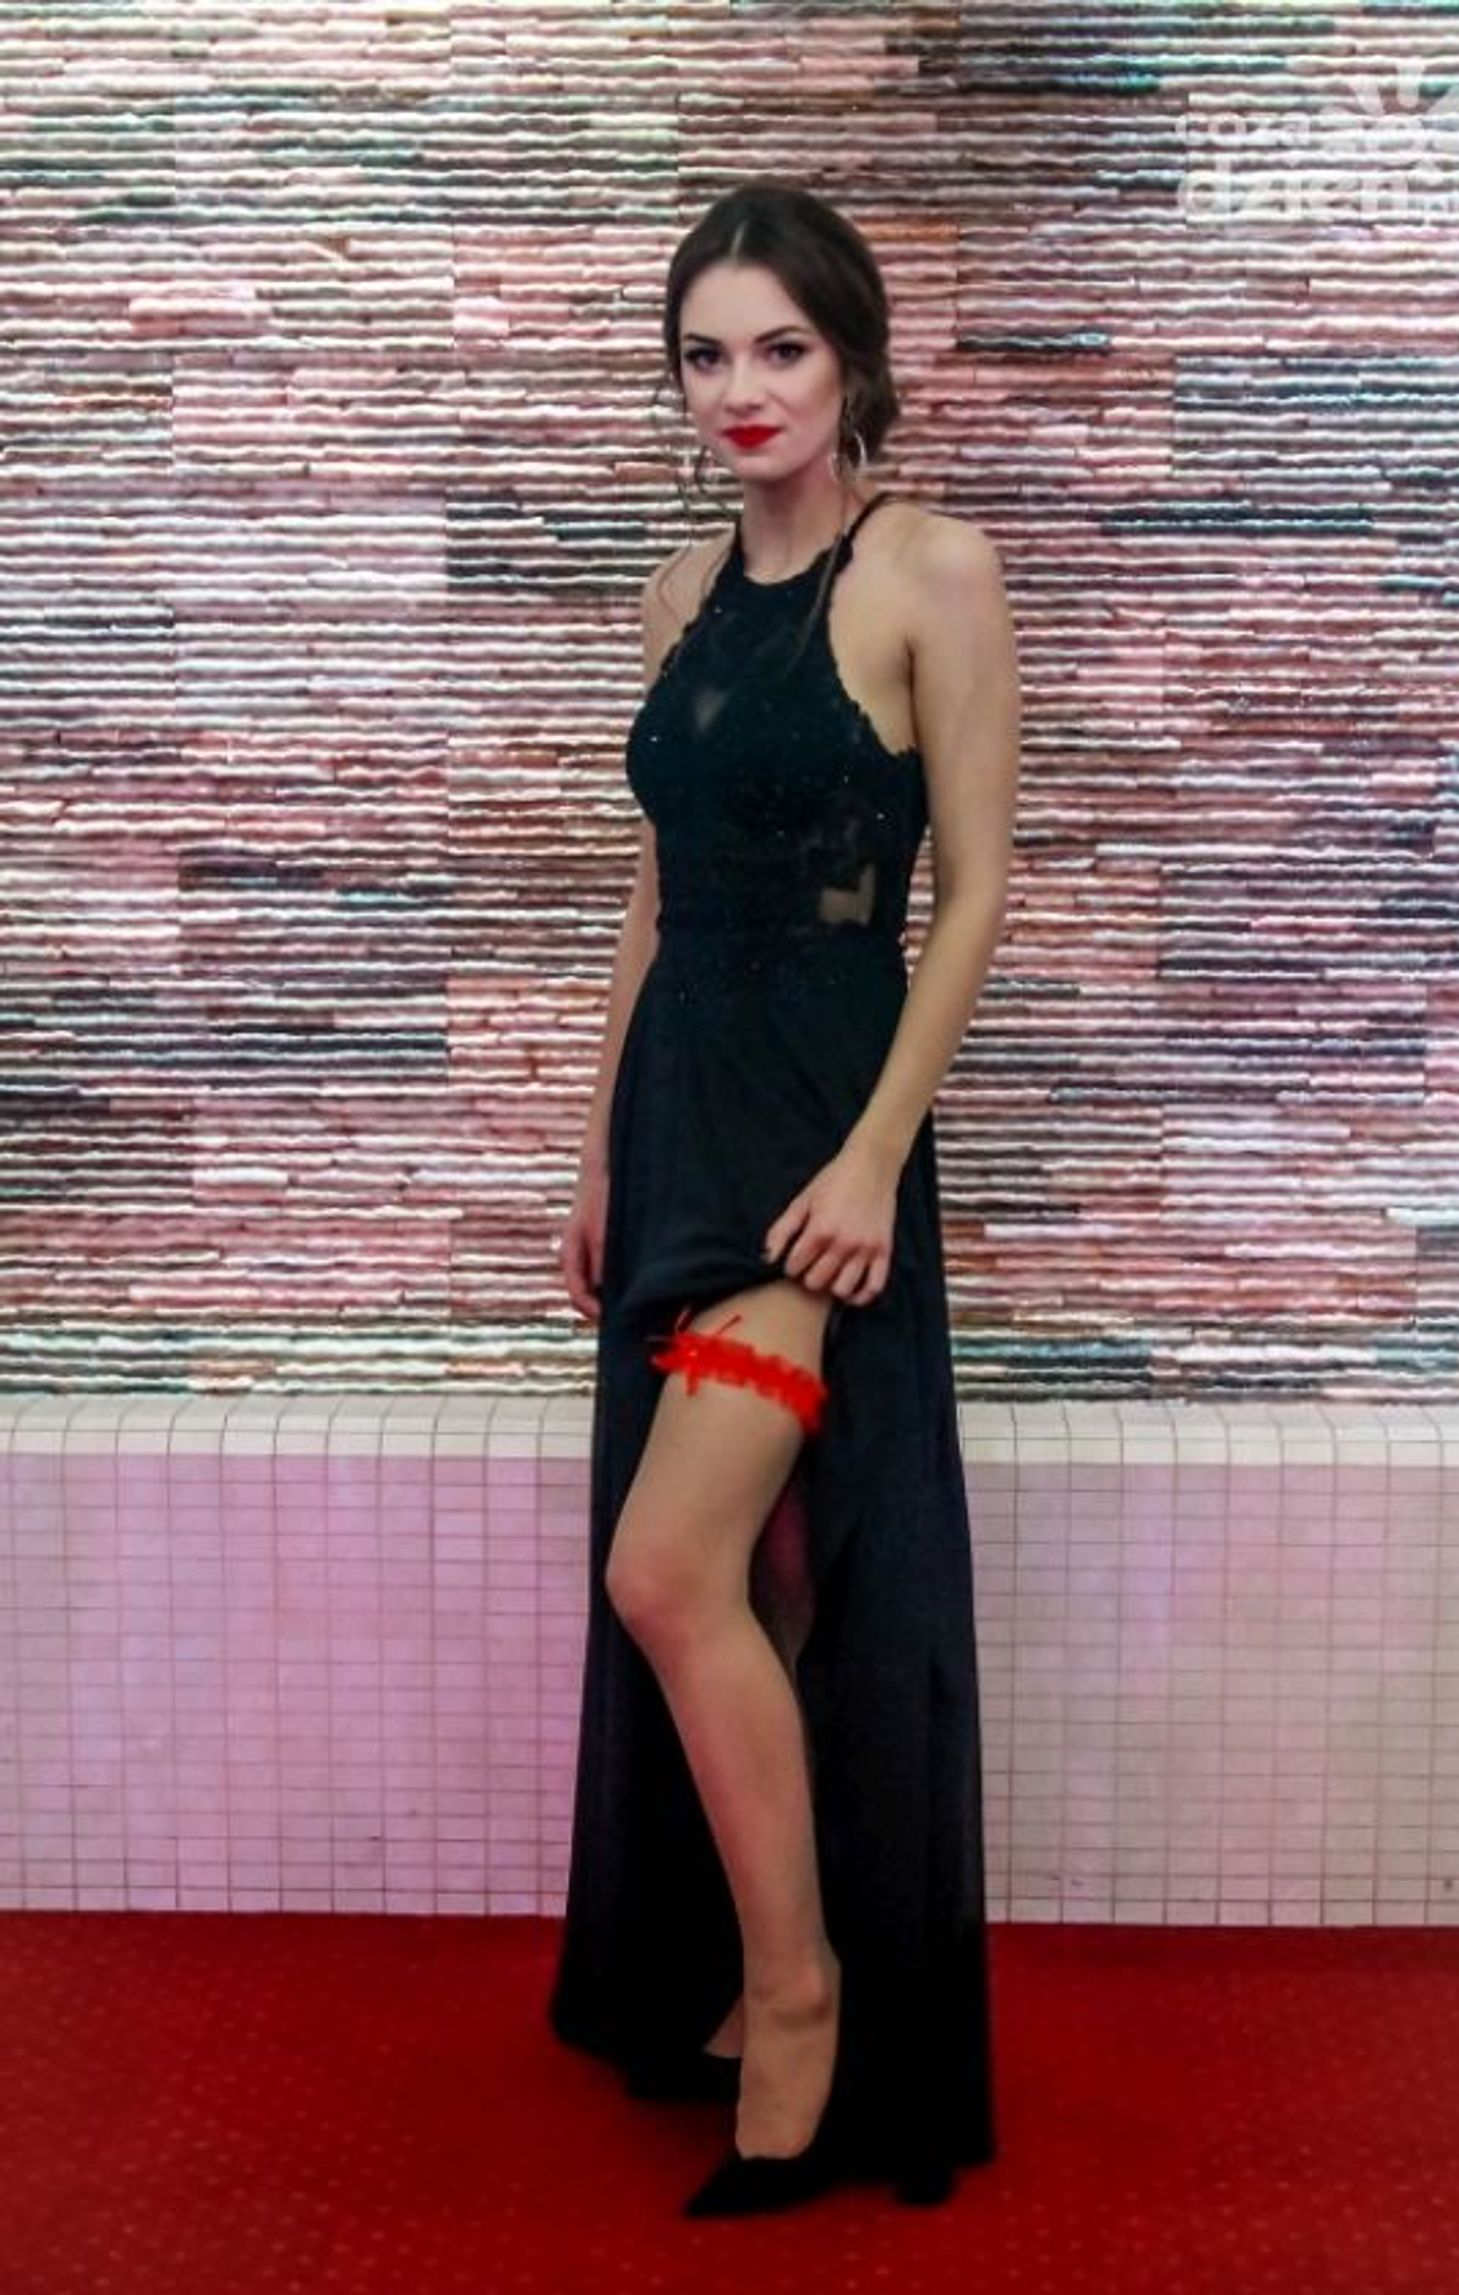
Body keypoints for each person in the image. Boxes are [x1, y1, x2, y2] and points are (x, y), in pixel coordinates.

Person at [549, 177, 1020, 2217]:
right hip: (679, 1127)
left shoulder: (932, 568)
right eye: (704, 354)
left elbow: (976, 889)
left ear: (852, 360)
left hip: (821, 1137)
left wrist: (875, 1157)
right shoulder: (678, 593)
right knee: (745, 1581)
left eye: (780, 347)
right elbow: (655, 894)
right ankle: (754, 1972)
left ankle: (808, 1993)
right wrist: (594, 1144)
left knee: (672, 1572)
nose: (739, 389)